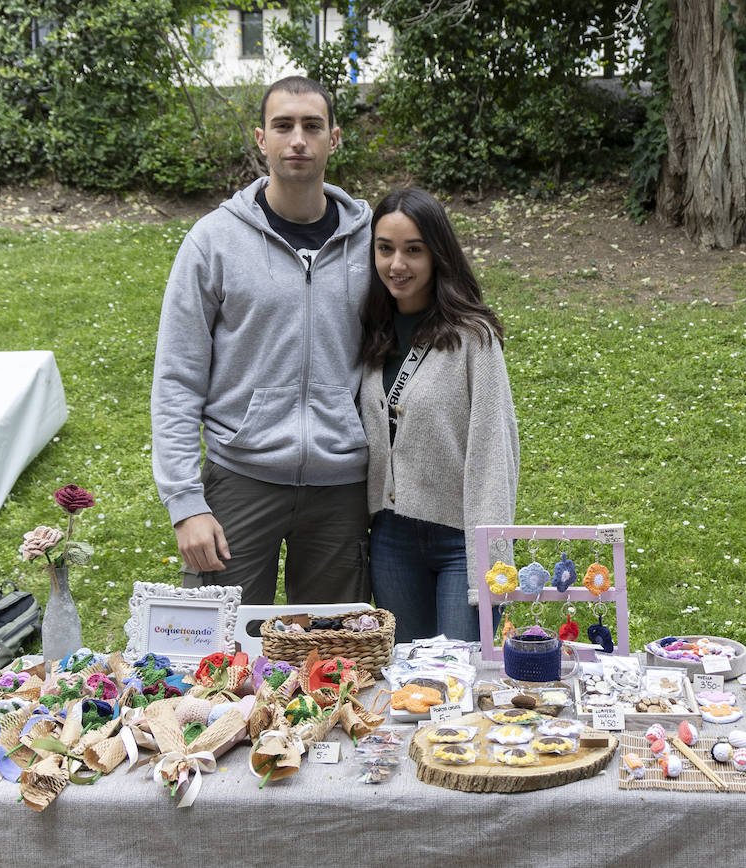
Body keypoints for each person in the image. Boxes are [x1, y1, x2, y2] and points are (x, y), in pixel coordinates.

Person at [151, 76, 374, 605]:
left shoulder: (372, 242)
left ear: (334, 139)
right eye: (283, 126)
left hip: (340, 487)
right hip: (238, 479)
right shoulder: (213, 240)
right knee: (215, 659)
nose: (297, 139)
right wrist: (186, 503)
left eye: (312, 126)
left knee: (331, 658)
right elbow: (177, 376)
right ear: (261, 138)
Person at [360, 188, 519, 642]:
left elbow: (494, 453)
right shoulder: (373, 333)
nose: (397, 265)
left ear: (438, 255)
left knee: (459, 682)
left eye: (414, 250)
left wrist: (491, 561)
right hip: (390, 541)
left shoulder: (473, 337)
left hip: (459, 542)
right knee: (408, 682)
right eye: (385, 249)